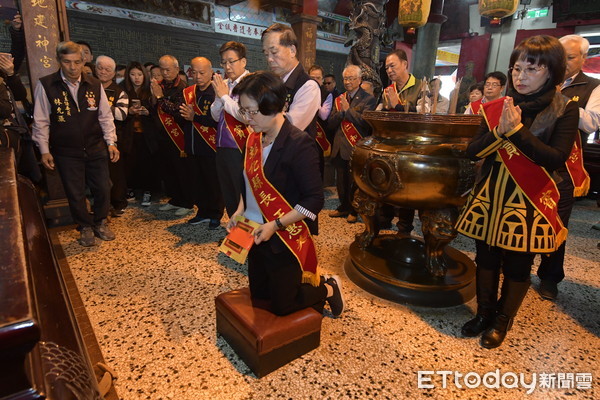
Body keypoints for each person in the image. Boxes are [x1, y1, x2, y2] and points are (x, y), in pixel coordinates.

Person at [456, 35, 579, 348]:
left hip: (530, 200)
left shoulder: (564, 109)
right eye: (516, 69)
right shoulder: (498, 106)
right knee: (485, 258)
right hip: (491, 196)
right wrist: (500, 131)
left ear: (551, 72)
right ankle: (484, 313)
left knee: (517, 265)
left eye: (531, 69)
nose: (520, 76)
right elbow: (472, 151)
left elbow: (555, 158)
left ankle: (501, 320)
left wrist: (517, 133)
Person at [226, 71, 344, 317]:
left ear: (275, 106)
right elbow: (248, 179)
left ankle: (329, 289)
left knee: (283, 306)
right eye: (244, 111)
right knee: (259, 294)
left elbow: (314, 201)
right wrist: (239, 211)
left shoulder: (299, 145)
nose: (247, 119)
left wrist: (275, 224)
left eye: (253, 112)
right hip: (254, 230)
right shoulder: (253, 138)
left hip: (284, 235)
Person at [32, 41, 120, 246]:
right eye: (67, 62)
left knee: (103, 188)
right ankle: (85, 226)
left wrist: (111, 142)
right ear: (59, 61)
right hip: (66, 151)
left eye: (77, 62)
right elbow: (41, 120)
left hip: (95, 146)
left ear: (84, 61)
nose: (73, 67)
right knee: (75, 192)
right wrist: (44, 150)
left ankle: (100, 222)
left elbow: (105, 117)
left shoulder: (94, 84)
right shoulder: (46, 85)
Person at [535, 34, 600, 300]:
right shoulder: (544, 79)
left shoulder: (593, 87)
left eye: (570, 57)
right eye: (561, 56)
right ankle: (519, 265)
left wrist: (562, 100)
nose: (564, 62)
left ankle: (550, 277)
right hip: (535, 159)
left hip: (564, 166)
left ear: (583, 59)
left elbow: (592, 123)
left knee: (557, 223)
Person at [328, 65, 376, 223]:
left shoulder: (368, 99)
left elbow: (366, 123)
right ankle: (343, 207)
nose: (347, 82)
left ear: (359, 80)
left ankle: (354, 210)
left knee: (354, 181)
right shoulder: (339, 99)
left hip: (356, 146)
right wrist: (341, 112)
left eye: (351, 78)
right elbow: (331, 123)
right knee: (341, 181)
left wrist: (348, 110)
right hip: (339, 146)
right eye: (345, 79)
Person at [179, 57, 223, 229]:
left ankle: (215, 213)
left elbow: (217, 121)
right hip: (192, 145)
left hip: (210, 146)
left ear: (211, 72)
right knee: (197, 181)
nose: (197, 76)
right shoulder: (189, 92)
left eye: (202, 72)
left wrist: (194, 117)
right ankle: (202, 212)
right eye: (194, 72)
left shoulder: (216, 93)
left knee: (213, 182)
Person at [210, 41, 251, 218]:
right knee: (227, 191)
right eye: (223, 62)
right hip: (222, 146)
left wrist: (224, 96)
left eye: (231, 61)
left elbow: (245, 116)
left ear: (243, 61)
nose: (227, 66)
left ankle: (246, 235)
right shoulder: (223, 83)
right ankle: (235, 232)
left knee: (241, 192)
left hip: (242, 147)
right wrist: (220, 97)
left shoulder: (251, 83)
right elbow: (214, 115)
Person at [261, 23, 320, 136]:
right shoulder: (274, 83)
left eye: (274, 52)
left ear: (292, 50)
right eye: (266, 54)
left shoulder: (308, 86)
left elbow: (291, 127)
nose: (269, 59)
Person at [152, 55, 194, 216]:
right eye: (162, 69)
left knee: (182, 171)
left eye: (168, 69)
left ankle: (187, 202)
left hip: (178, 137)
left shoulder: (182, 88)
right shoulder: (160, 85)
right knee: (168, 171)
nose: (165, 72)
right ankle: (175, 199)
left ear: (177, 69)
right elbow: (155, 108)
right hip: (162, 137)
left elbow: (177, 112)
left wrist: (159, 97)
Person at [96, 55, 130, 216]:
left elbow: (122, 114)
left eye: (107, 69)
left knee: (115, 172)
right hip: (93, 138)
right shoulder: (90, 88)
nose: (103, 72)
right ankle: (102, 204)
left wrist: (100, 107)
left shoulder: (119, 92)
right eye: (100, 68)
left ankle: (118, 203)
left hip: (114, 137)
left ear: (114, 73)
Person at [123, 62, 160, 207]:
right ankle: (130, 189)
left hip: (147, 134)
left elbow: (157, 112)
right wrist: (129, 112)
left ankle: (148, 191)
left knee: (147, 164)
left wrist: (148, 112)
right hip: (130, 133)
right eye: (132, 74)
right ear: (128, 76)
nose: (136, 78)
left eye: (139, 74)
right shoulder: (123, 91)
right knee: (130, 163)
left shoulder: (150, 90)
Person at [309, 64, 333, 158]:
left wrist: (314, 101)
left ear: (322, 80)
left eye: (318, 78)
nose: (315, 80)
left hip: (318, 134)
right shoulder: (302, 91)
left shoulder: (327, 94)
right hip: (304, 133)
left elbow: (323, 115)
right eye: (312, 78)